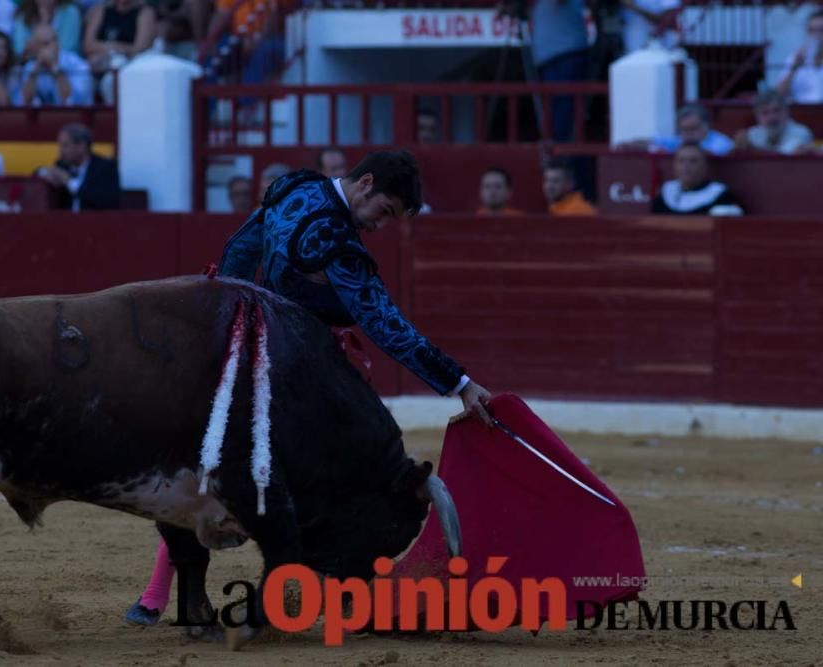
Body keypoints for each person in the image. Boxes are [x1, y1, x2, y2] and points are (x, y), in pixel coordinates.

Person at [125, 151, 495, 626]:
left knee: (209, 463)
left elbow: (241, 247)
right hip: (295, 371)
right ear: (364, 184)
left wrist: (228, 323)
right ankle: (338, 579)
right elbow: (384, 324)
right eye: (385, 211)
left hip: (254, 346)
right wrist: (458, 382)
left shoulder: (298, 187)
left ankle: (155, 597)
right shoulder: (334, 239)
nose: (381, 227)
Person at [530, 0, 590, 142]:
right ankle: (557, 149)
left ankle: (564, 154)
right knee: (553, 108)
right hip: (549, 55)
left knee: (565, 111)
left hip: (567, 52)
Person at [35, 123, 120, 210]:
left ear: (81, 146)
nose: (61, 151)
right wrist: (45, 173)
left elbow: (104, 200)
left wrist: (69, 182)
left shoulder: (105, 168)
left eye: (65, 145)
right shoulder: (63, 165)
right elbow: (37, 171)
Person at [651, 142, 743, 215]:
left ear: (704, 165)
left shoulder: (720, 195)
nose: (686, 167)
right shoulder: (665, 193)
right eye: (681, 161)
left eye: (693, 161)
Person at [16, 24, 92, 106]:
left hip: (76, 116)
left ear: (57, 43)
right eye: (38, 45)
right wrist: (35, 71)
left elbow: (74, 101)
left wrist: (55, 67)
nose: (42, 49)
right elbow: (25, 102)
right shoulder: (30, 68)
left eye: (46, 44)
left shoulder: (77, 65)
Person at [733, 89, 814, 155]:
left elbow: (784, 159)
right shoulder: (752, 134)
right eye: (765, 113)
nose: (772, 117)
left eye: (777, 110)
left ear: (787, 112)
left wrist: (752, 150)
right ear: (757, 117)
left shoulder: (802, 132)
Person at [776, 9, 823, 104]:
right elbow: (779, 95)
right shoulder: (796, 58)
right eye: (811, 30)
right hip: (801, 112)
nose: (816, 35)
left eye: (821, 30)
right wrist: (793, 69)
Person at [650, 103, 733, 155]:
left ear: (707, 126)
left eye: (694, 128)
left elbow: (708, 155)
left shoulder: (721, 142)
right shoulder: (678, 140)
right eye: (684, 129)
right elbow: (648, 143)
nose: (689, 133)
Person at [12, 0, 81, 60]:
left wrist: (35, 46)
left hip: (65, 64)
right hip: (30, 64)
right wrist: (44, 22)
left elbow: (67, 47)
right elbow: (19, 48)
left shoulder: (71, 12)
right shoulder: (24, 15)